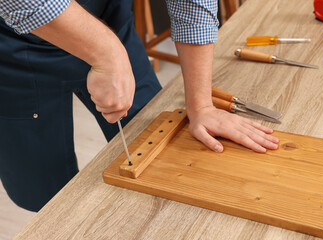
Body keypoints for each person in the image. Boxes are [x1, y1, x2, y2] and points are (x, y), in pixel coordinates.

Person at [0, 0, 279, 212]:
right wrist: (107, 53)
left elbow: (191, 6)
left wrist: (201, 104)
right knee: (44, 195)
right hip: (12, 49)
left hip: (109, 21)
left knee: (164, 161)